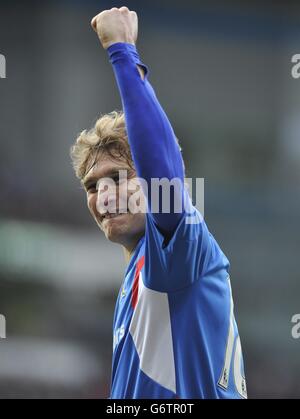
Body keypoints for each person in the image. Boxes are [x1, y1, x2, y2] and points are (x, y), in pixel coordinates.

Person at [71, 6, 247, 399]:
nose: (103, 196)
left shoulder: (176, 253)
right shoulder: (140, 272)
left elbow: (164, 174)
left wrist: (122, 50)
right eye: (91, 186)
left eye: (118, 178)